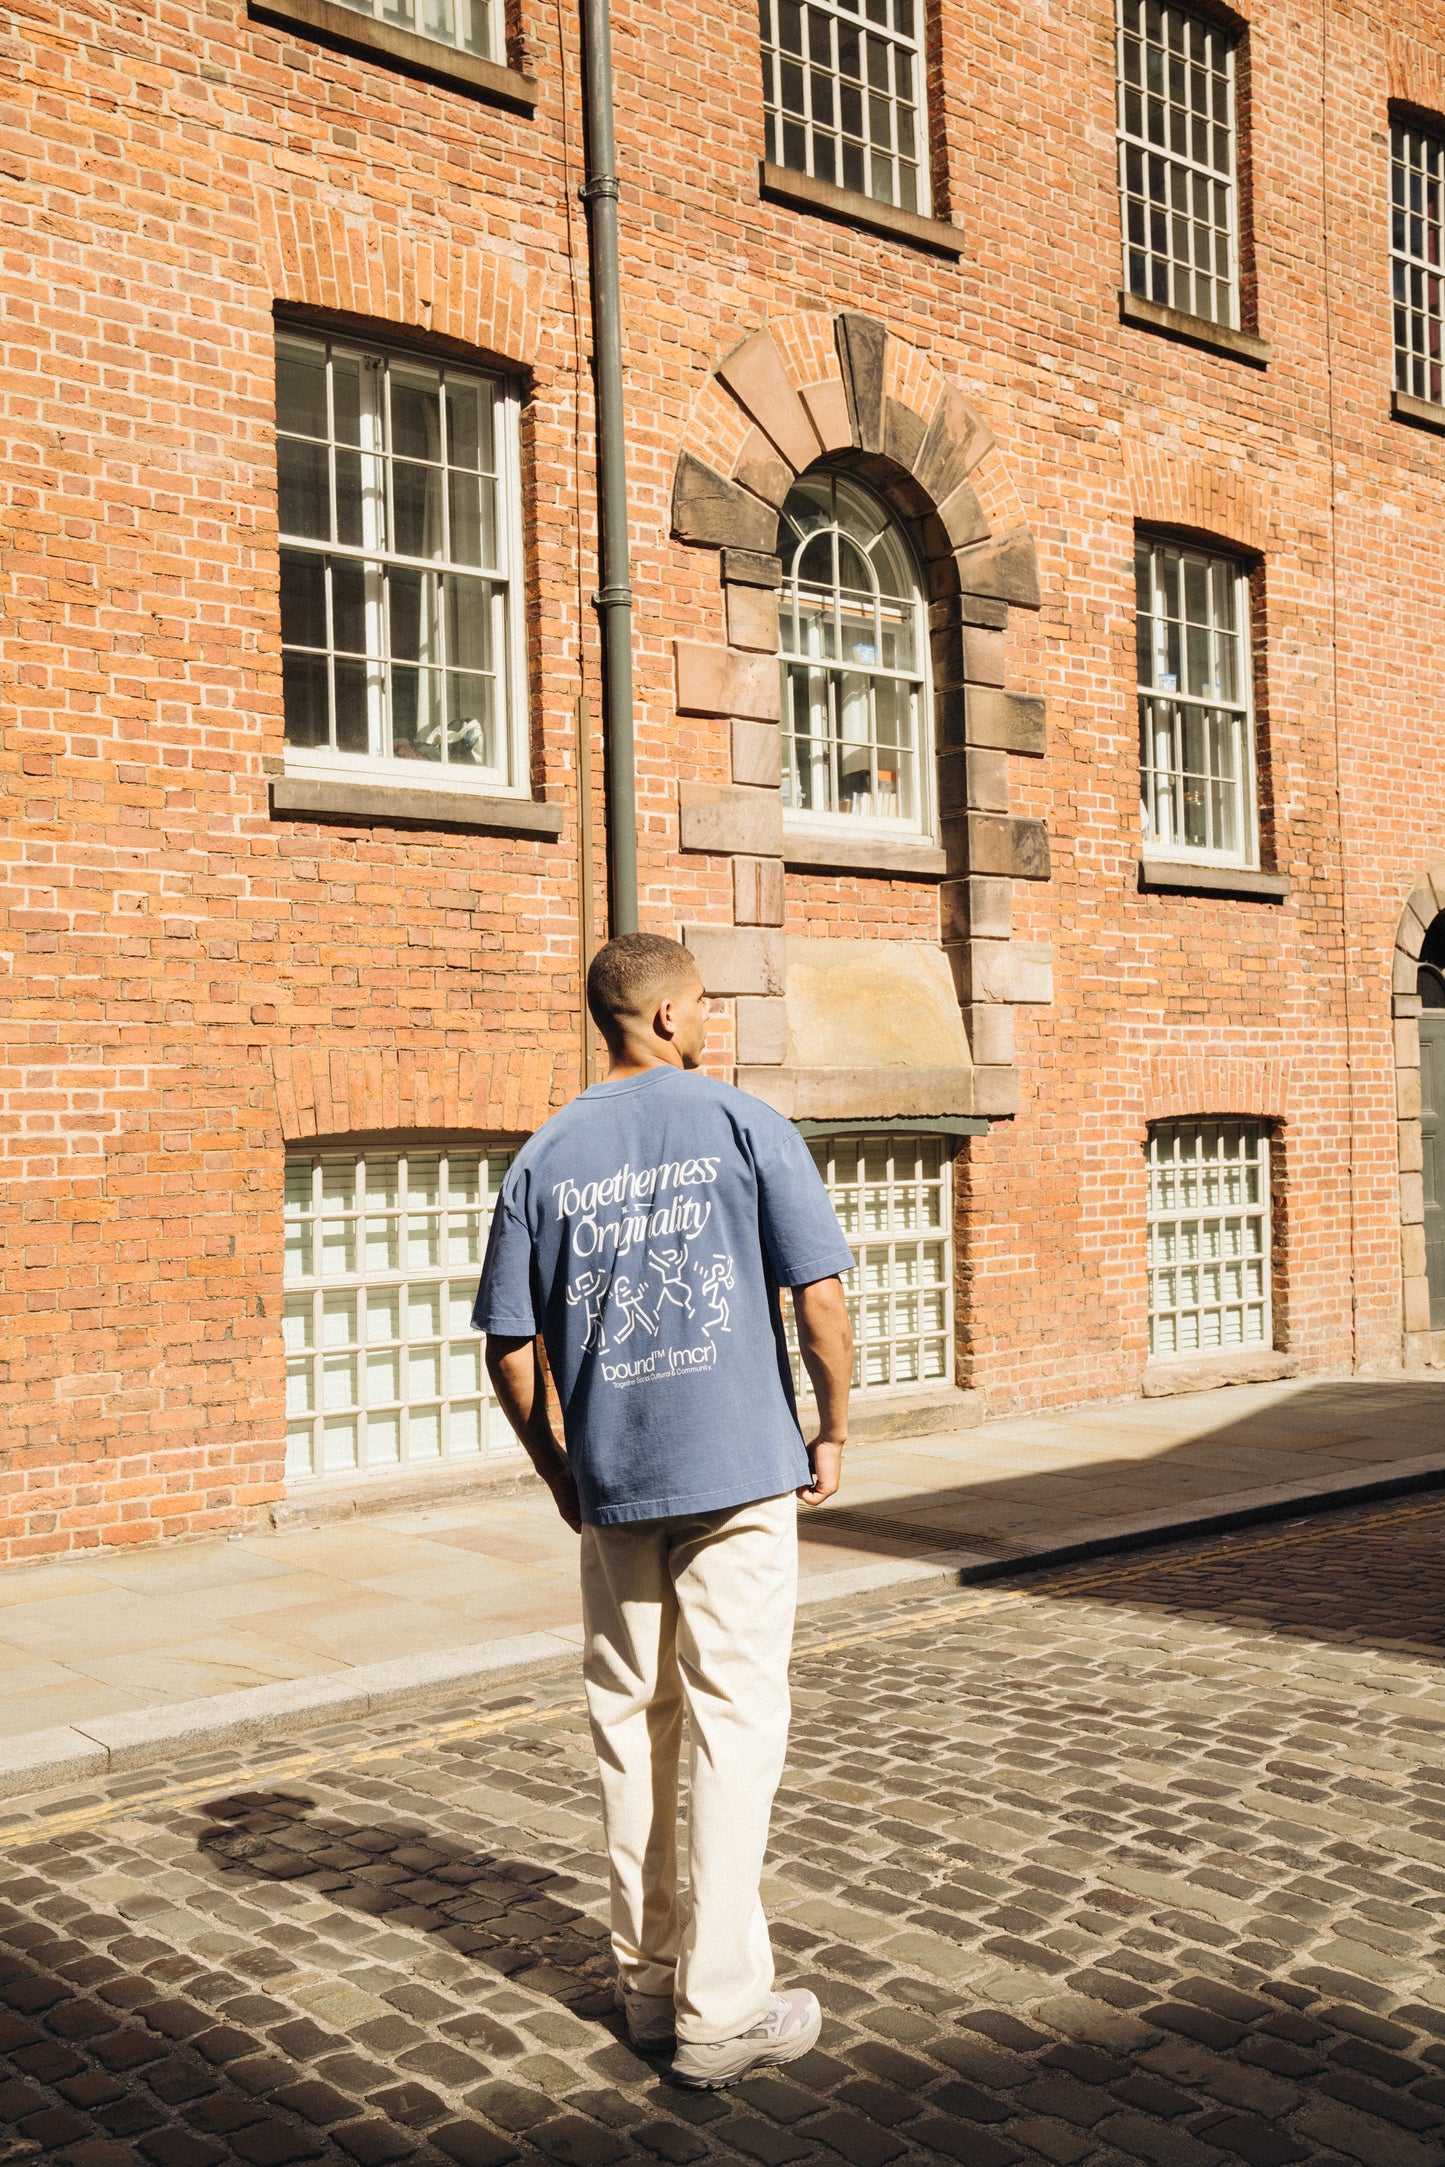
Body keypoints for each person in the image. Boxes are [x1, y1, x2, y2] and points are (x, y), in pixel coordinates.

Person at [474, 933, 855, 2090]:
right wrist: (832, 1425)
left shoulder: (544, 1156)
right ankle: (721, 2009)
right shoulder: (745, 1126)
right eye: (705, 1006)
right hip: (739, 1474)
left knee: (630, 1727)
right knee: (734, 1727)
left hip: (617, 1485)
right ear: (668, 1017)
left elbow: (505, 1346)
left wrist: (557, 1471)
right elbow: (821, 1302)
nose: (711, 1024)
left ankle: (646, 1986)